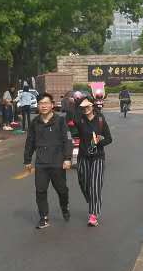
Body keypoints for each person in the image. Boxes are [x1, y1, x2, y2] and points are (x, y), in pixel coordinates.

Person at [23, 91, 73, 228]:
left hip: (57, 162)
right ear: (38, 106)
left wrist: (67, 158)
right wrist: (27, 160)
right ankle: (43, 217)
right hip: (41, 163)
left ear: (52, 105)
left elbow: (67, 140)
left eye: (46, 103)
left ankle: (64, 207)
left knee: (62, 190)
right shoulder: (35, 123)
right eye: (41, 103)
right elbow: (30, 142)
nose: (43, 106)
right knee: (40, 191)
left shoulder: (60, 121)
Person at [75, 96, 113, 226]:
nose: (85, 109)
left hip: (98, 157)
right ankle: (92, 200)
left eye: (88, 106)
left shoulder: (100, 120)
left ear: (92, 105)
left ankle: (93, 215)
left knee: (95, 185)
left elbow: (109, 139)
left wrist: (99, 142)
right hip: (83, 156)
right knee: (84, 183)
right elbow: (71, 117)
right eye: (83, 107)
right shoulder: (79, 120)